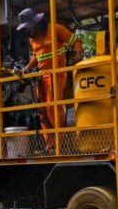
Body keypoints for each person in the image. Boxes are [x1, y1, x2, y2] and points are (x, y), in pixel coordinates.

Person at [15, 8, 83, 141]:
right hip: (42, 77)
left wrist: (78, 56)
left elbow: (77, 41)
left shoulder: (55, 29)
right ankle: (50, 142)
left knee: (52, 106)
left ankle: (60, 140)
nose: (27, 31)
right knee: (42, 110)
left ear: (36, 23)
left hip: (56, 75)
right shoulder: (32, 40)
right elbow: (37, 56)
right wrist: (27, 67)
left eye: (28, 27)